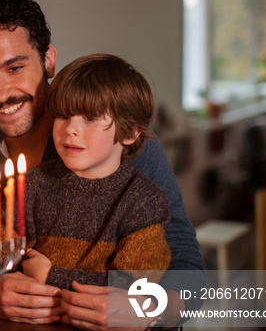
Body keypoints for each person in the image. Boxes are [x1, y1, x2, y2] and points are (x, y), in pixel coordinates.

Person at [0, 0, 205, 331]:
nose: (0, 94)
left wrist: (150, 310)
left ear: (48, 60)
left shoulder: (122, 147)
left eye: (14, 68)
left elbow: (187, 267)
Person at [21, 54, 171, 291]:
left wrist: (51, 276)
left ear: (130, 132)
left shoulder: (144, 202)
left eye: (90, 118)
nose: (71, 129)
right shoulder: (31, 185)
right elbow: (0, 260)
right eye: (63, 115)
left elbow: (136, 287)